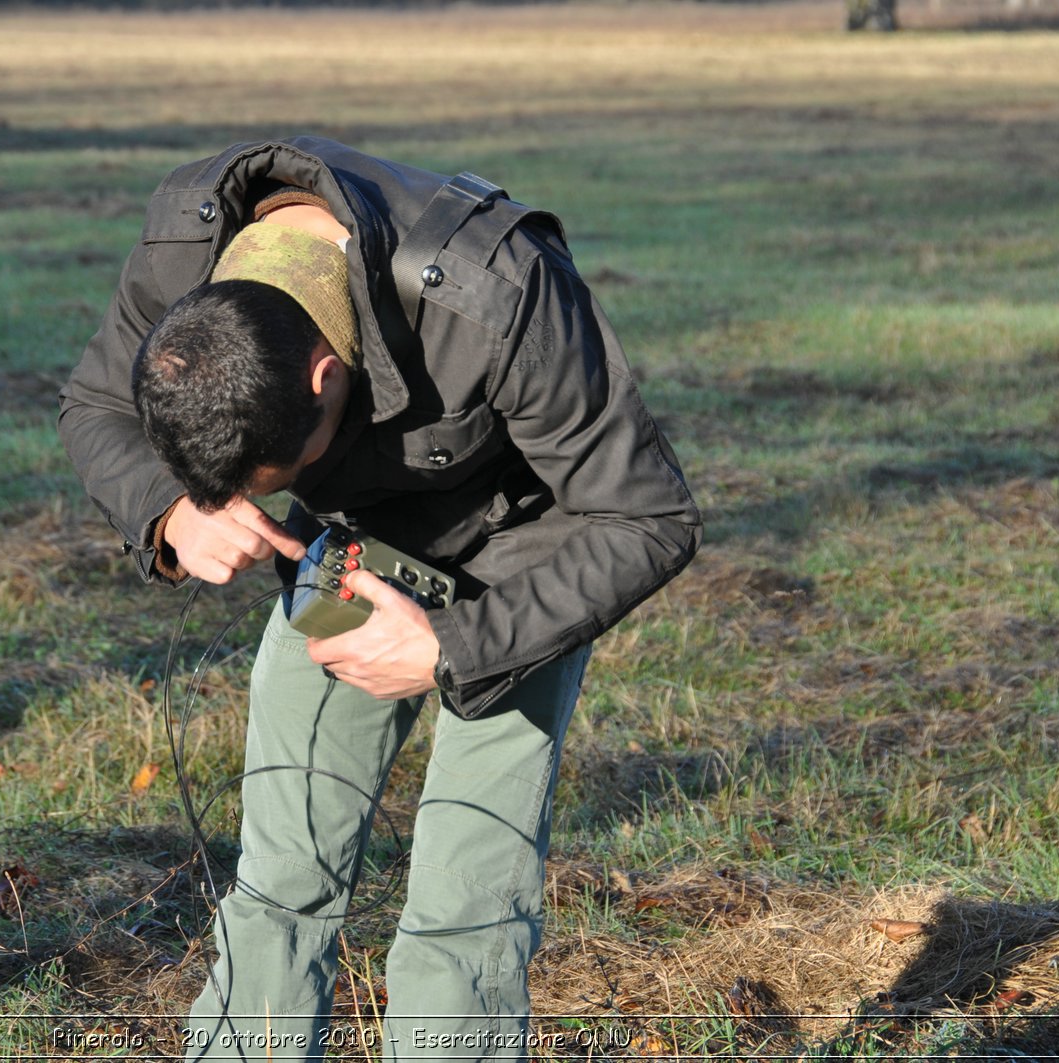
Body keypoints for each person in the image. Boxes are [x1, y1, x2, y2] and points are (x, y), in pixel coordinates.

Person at [57, 137, 701, 1061]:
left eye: (281, 470)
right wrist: (173, 512)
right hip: (349, 553)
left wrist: (451, 648)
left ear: (323, 378)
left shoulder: (498, 288)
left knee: (465, 900)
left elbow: (649, 516)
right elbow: (92, 403)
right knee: (283, 870)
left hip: (522, 566)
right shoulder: (185, 251)